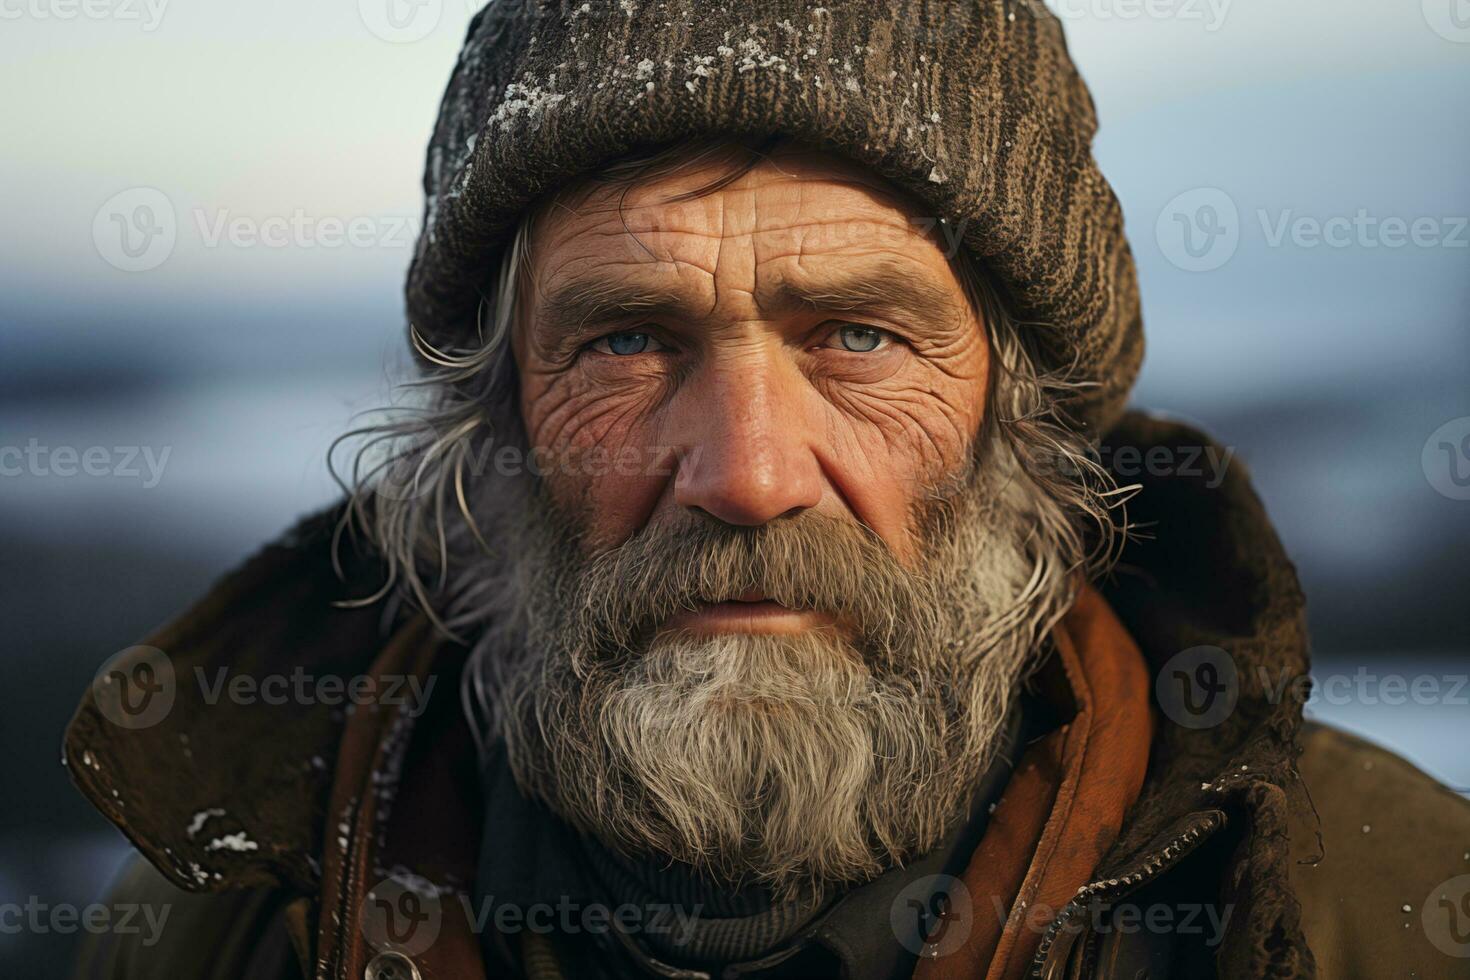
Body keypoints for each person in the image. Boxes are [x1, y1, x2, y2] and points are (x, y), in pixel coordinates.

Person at [68, 2, 1470, 977]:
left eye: (856, 337)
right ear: (489, 425)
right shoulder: (235, 913)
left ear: (1023, 424)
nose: (744, 475)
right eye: (625, 341)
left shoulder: (1369, 906)